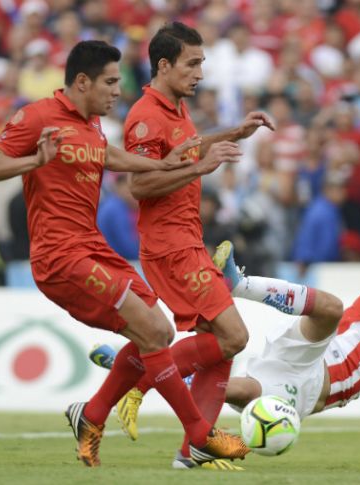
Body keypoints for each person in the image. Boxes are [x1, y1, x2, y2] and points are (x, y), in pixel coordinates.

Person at [0, 40, 249, 467]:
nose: (117, 90)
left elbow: (112, 158)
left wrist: (168, 163)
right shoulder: (37, 117)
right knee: (152, 331)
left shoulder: (91, 125)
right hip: (60, 258)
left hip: (92, 247)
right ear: (82, 81)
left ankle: (93, 412)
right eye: (109, 82)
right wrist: (34, 160)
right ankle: (199, 434)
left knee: (157, 333)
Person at [94, 245, 360, 469]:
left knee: (234, 391)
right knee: (329, 309)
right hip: (310, 358)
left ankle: (143, 368)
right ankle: (240, 283)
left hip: (301, 400)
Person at [119, 22, 277, 468]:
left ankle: (194, 449)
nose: (201, 74)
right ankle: (137, 380)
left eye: (203, 63)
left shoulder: (173, 108)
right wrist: (201, 168)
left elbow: (188, 148)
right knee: (234, 336)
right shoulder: (147, 115)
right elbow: (140, 184)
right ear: (164, 64)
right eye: (193, 63)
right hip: (171, 246)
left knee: (219, 347)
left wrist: (232, 134)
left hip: (188, 240)